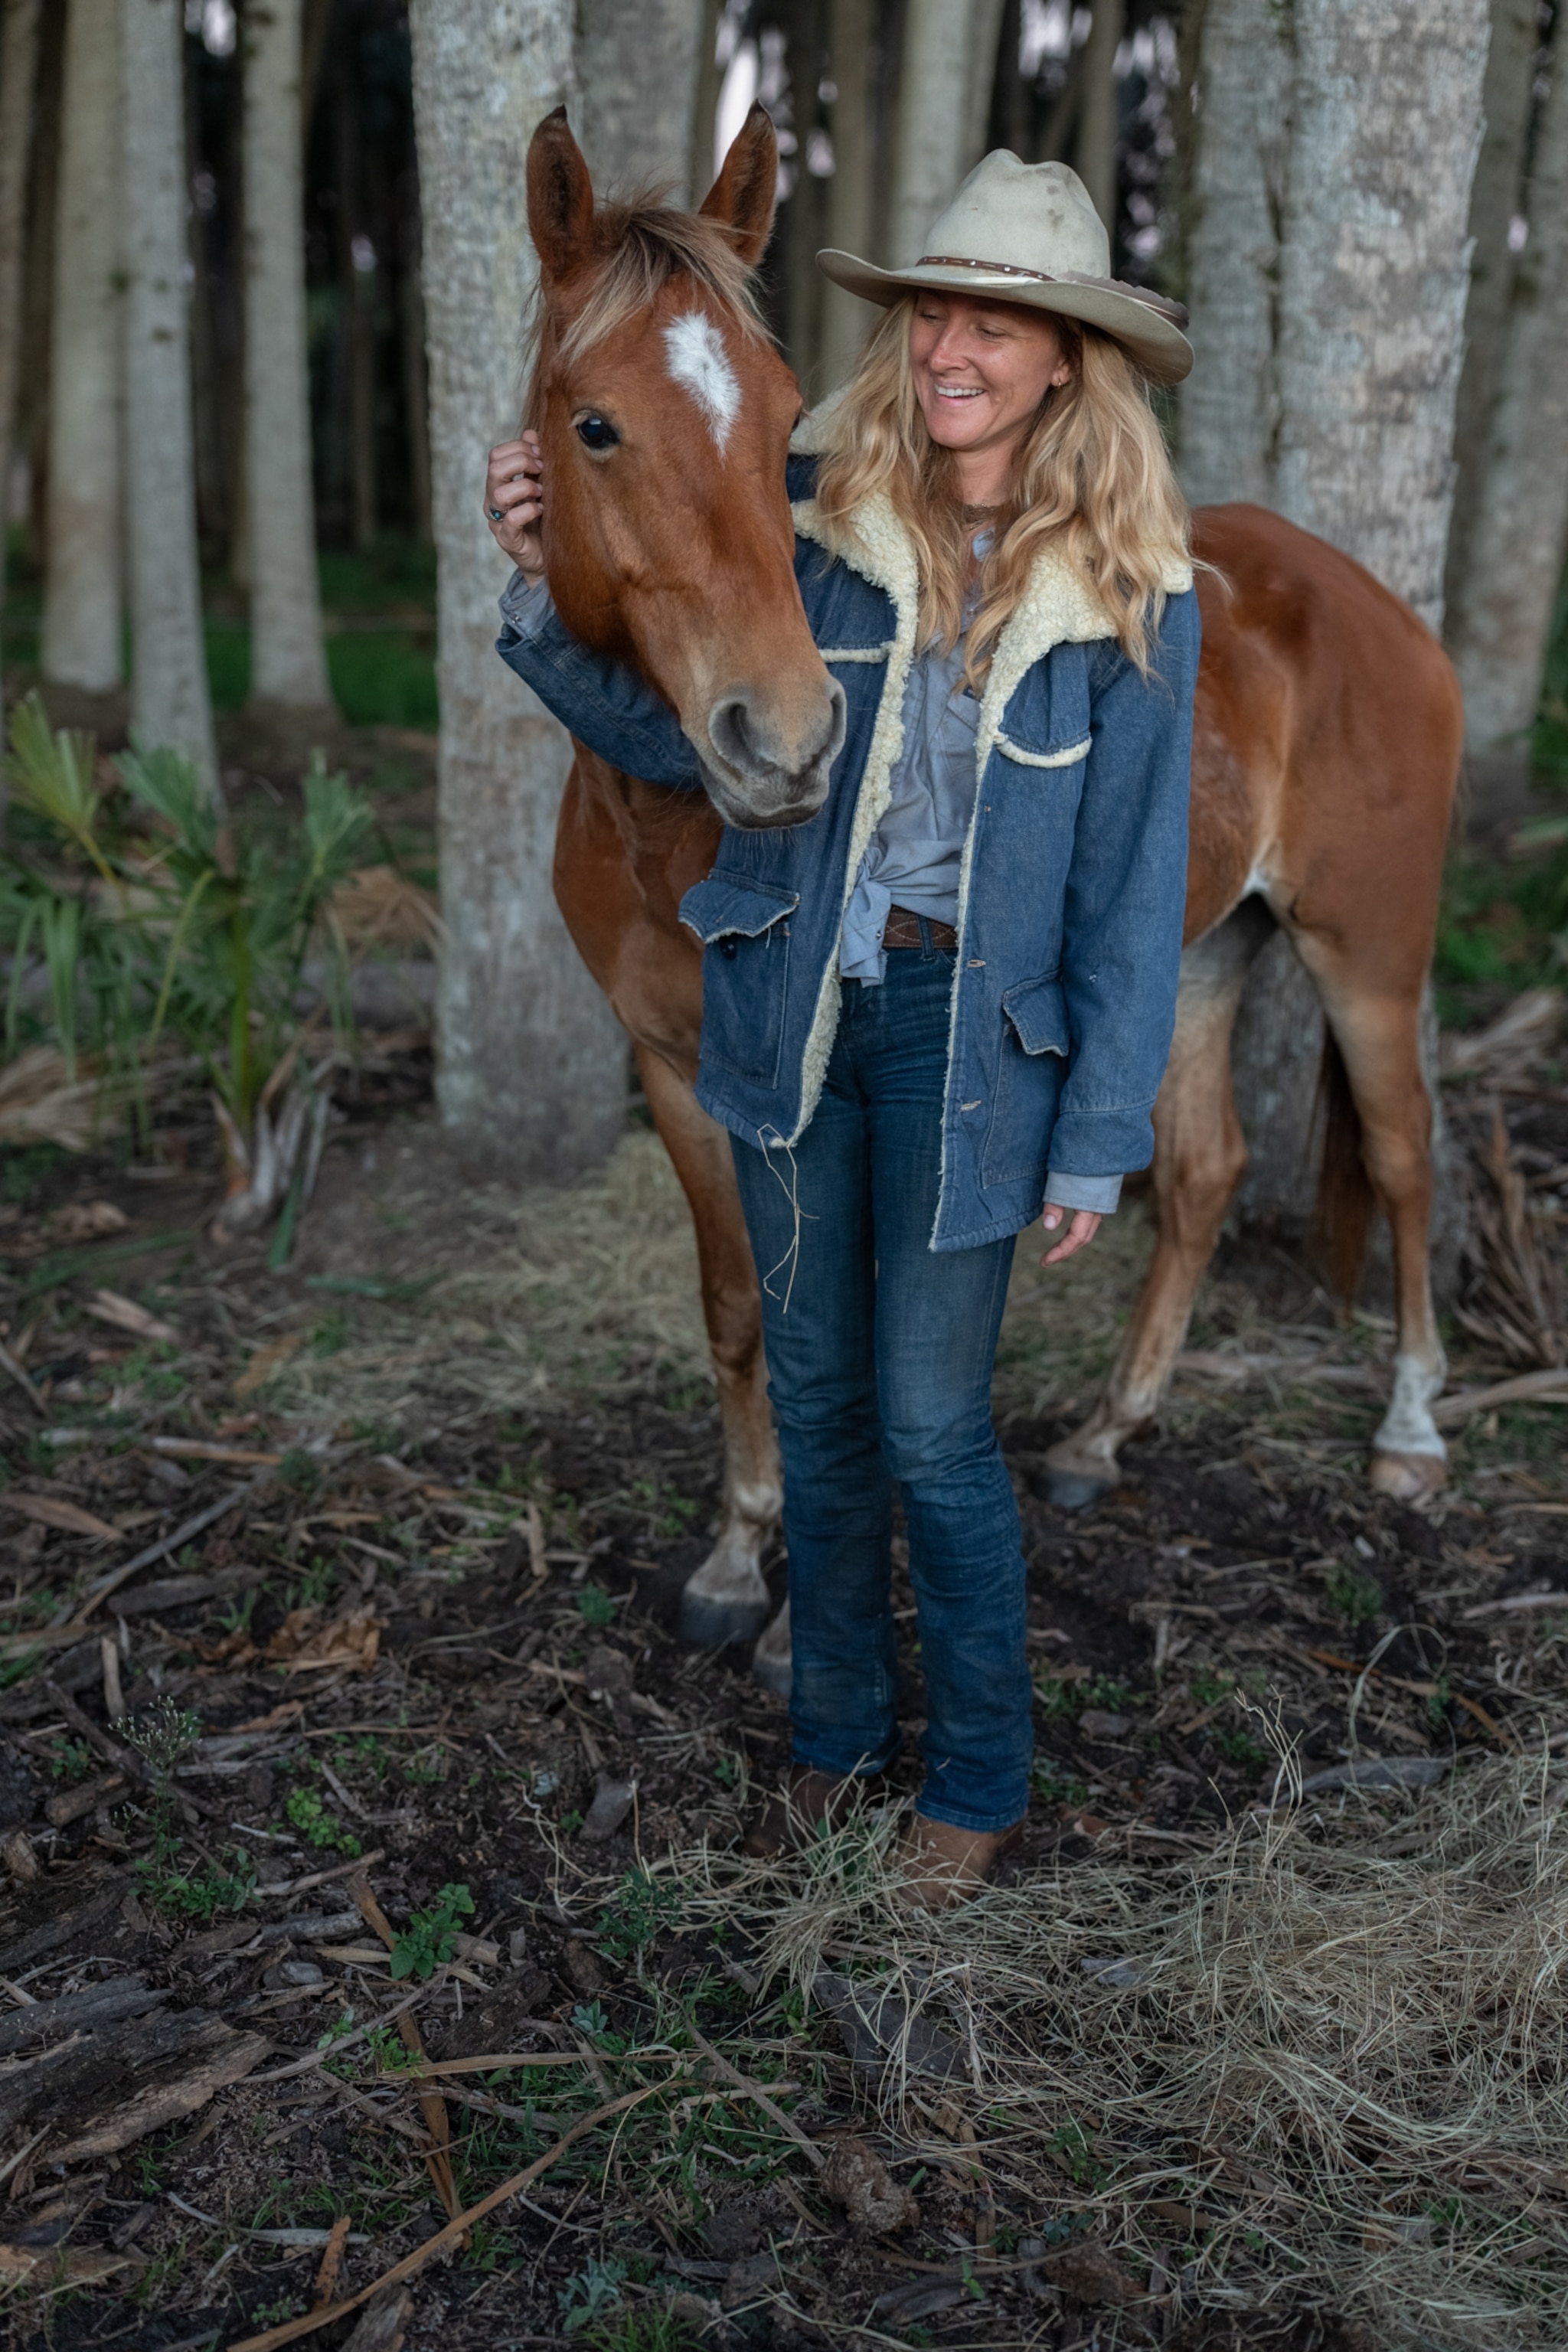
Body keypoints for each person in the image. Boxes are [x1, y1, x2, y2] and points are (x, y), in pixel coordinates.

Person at [485, 152, 1199, 1905]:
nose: (953, 345)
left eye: (999, 321)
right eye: (935, 310)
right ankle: (828, 1737)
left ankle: (973, 1780)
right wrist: (531, 572)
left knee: (933, 1420)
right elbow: (681, 736)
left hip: (972, 1037)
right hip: (807, 1002)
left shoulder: (1131, 596)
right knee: (809, 1389)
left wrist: (1101, 1130)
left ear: (1061, 362)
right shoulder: (831, 535)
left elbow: (1125, 891)